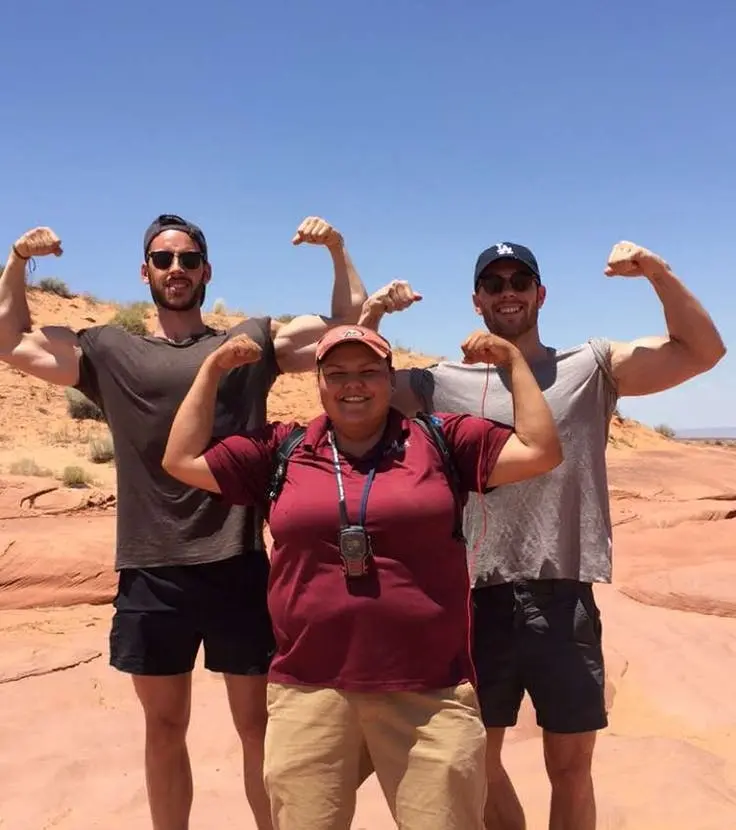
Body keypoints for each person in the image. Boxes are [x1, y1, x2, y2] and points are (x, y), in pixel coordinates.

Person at [0, 213, 368, 830]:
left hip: (237, 563)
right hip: (151, 568)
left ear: (206, 270)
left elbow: (346, 328)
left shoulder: (247, 344)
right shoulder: (110, 350)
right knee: (165, 727)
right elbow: (12, 342)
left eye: (189, 260)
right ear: (145, 271)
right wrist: (15, 261)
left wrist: (337, 248)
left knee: (257, 728)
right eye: (164, 260)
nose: (177, 270)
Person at [363, 241, 727, 830]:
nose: (509, 291)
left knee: (571, 767)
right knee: (473, 760)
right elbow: (360, 383)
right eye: (495, 282)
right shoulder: (436, 383)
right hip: (474, 594)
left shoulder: (590, 366)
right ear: (477, 299)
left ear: (540, 293)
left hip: (563, 592)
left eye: (520, 280)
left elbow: (704, 352)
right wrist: (375, 315)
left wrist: (657, 273)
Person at [161, 318, 563, 830]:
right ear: (319, 382)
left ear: (390, 378)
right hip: (311, 693)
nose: (354, 384)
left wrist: (514, 363)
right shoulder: (282, 448)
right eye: (338, 373)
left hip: (428, 695)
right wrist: (212, 369)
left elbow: (541, 450)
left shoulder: (441, 439)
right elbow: (180, 459)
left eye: (369, 371)